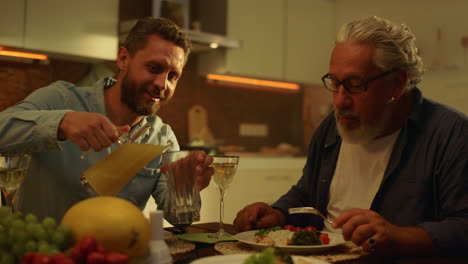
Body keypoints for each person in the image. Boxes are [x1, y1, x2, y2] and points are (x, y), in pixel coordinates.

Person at [233, 16, 468, 257]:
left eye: (355, 84)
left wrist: (397, 236)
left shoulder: (451, 135)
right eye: (335, 82)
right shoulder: (332, 127)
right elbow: (307, 194)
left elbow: (463, 226)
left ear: (397, 84)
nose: (339, 100)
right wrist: (278, 213)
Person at [0, 17, 214, 221]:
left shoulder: (163, 138)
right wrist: (62, 122)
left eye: (172, 76)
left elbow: (179, 218)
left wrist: (187, 189)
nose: (162, 83)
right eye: (154, 68)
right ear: (123, 59)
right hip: (44, 253)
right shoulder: (60, 99)